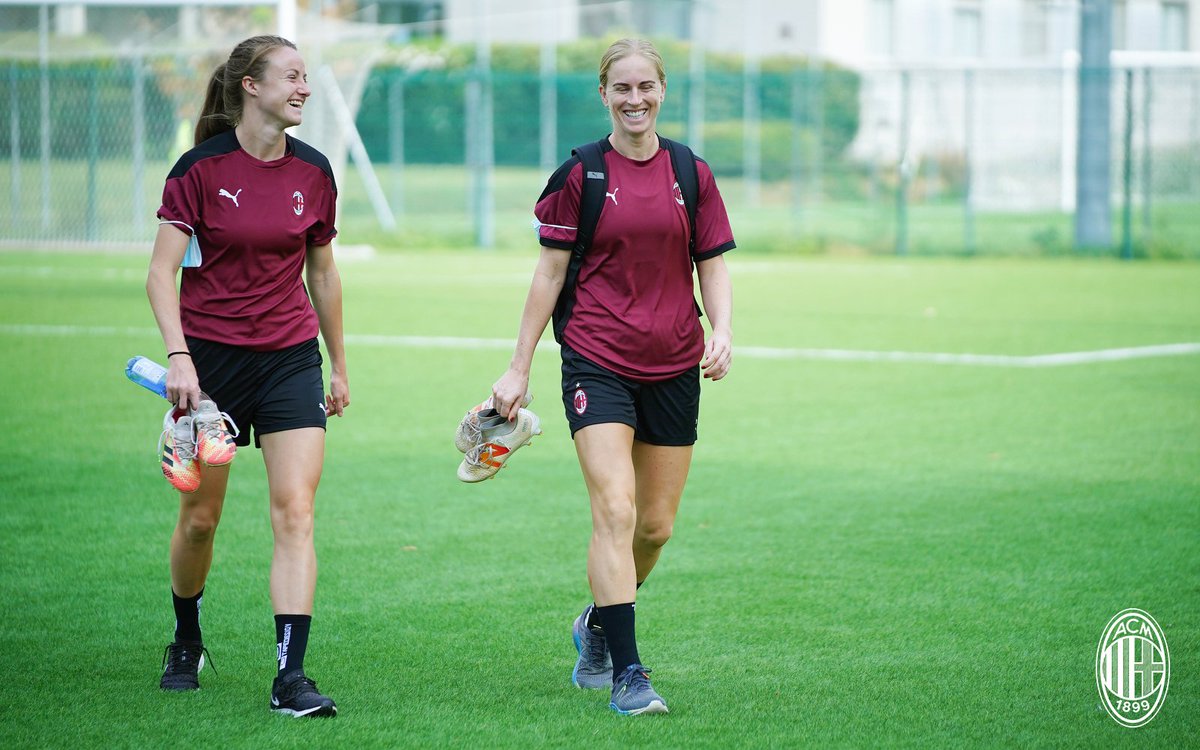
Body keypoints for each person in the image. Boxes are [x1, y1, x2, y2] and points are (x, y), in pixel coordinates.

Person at [490, 38, 735, 716]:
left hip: (675, 362)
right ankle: (628, 674)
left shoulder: (691, 172)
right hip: (596, 359)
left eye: (645, 87)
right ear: (603, 94)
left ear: (662, 91)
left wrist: (721, 329)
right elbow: (549, 273)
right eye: (621, 88)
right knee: (616, 509)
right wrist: (518, 365)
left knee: (653, 528)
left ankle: (597, 623)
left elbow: (712, 262)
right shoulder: (581, 175)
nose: (635, 99)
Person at [146, 35, 348, 718]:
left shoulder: (314, 171)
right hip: (211, 369)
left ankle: (291, 677)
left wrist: (339, 364)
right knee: (201, 520)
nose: (304, 88)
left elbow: (323, 273)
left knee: (295, 512)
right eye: (291, 76)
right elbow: (160, 274)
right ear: (251, 87)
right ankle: (186, 639)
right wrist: (180, 358)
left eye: (305, 76)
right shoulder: (199, 169)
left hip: (290, 360)